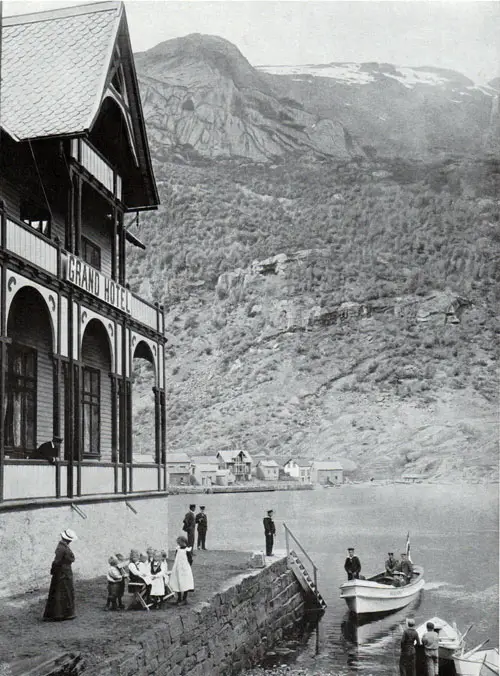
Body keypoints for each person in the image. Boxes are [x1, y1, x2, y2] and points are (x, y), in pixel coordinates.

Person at [43, 528, 77, 621]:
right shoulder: (61, 548)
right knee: (60, 592)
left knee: (66, 591)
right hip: (61, 572)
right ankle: (58, 614)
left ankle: (66, 613)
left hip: (65, 571)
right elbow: (57, 561)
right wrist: (54, 570)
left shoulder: (64, 547)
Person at [169, 536, 194, 605]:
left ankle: (184, 599)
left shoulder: (187, 550)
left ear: (183, 542)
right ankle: (179, 598)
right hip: (177, 568)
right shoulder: (177, 549)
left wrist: (186, 567)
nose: (178, 544)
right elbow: (176, 557)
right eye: (178, 543)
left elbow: (190, 560)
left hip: (184, 569)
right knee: (177, 582)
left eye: (179, 543)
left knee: (185, 583)